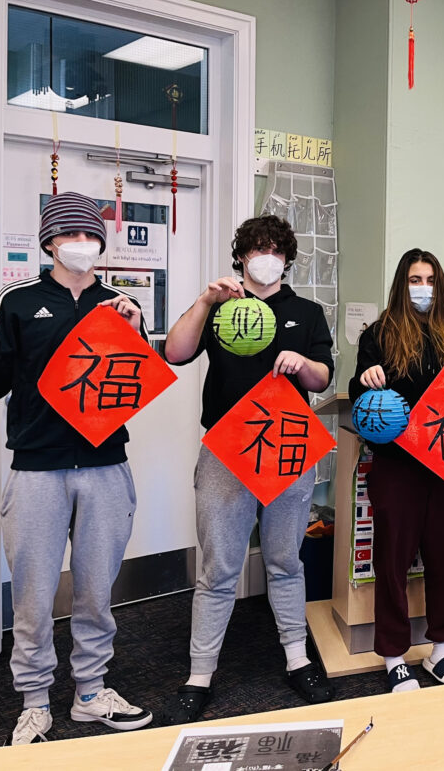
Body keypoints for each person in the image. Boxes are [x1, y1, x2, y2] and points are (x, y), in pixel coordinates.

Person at [0, 192, 152, 745]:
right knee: (35, 591)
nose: (84, 246)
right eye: (73, 236)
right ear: (50, 242)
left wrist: (135, 333)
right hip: (37, 468)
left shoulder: (118, 302)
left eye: (92, 237)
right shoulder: (15, 299)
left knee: (96, 588)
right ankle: (35, 700)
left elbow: (135, 388)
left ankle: (90, 692)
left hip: (106, 464)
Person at [161, 215, 336, 723]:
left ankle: (298, 659)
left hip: (287, 448)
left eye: (276, 249)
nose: (266, 256)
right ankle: (200, 674)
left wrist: (299, 364)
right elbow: (175, 352)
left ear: (286, 258)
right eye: (257, 248)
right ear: (240, 256)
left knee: (285, 561)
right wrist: (204, 301)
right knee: (218, 568)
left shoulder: (306, 311)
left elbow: (323, 375)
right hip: (225, 449)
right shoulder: (220, 309)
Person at [348, 249, 444, 692]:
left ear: (440, 284)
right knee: (392, 557)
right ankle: (393, 652)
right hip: (397, 463)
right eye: (413, 279)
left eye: (429, 279)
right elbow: (358, 394)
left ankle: (443, 648)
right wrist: (365, 377)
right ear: (400, 284)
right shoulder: (379, 334)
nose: (422, 287)